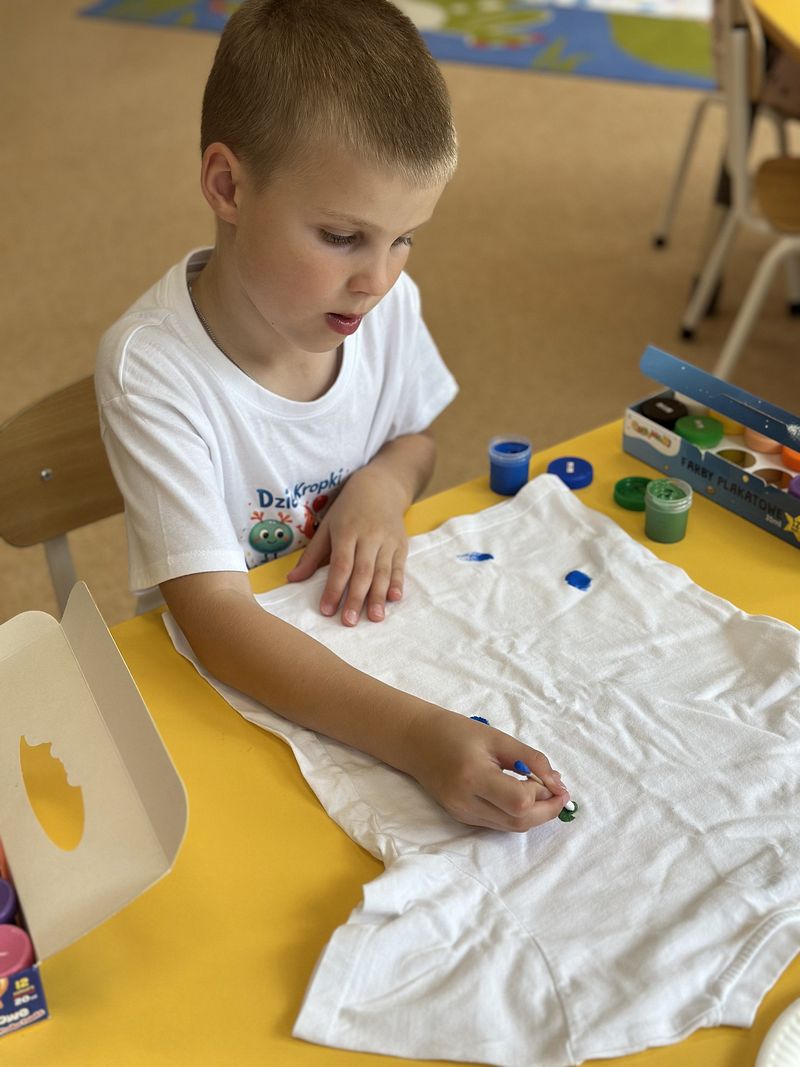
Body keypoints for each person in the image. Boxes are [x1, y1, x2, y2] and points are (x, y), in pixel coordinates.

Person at [95, 0, 569, 831]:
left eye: (405, 238)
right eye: (343, 236)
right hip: (218, 707)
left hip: (366, 660)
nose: (378, 280)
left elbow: (413, 435)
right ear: (228, 186)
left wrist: (384, 484)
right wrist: (420, 738)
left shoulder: (381, 307)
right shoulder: (153, 369)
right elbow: (217, 622)